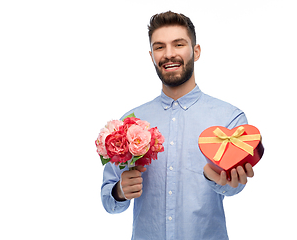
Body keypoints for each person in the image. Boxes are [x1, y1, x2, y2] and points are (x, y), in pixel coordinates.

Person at [101, 11, 254, 240]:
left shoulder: (229, 119)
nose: (169, 54)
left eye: (178, 44)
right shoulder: (129, 123)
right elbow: (108, 197)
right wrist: (120, 191)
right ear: (151, 55)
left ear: (196, 51)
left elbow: (234, 187)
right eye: (160, 47)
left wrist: (225, 181)